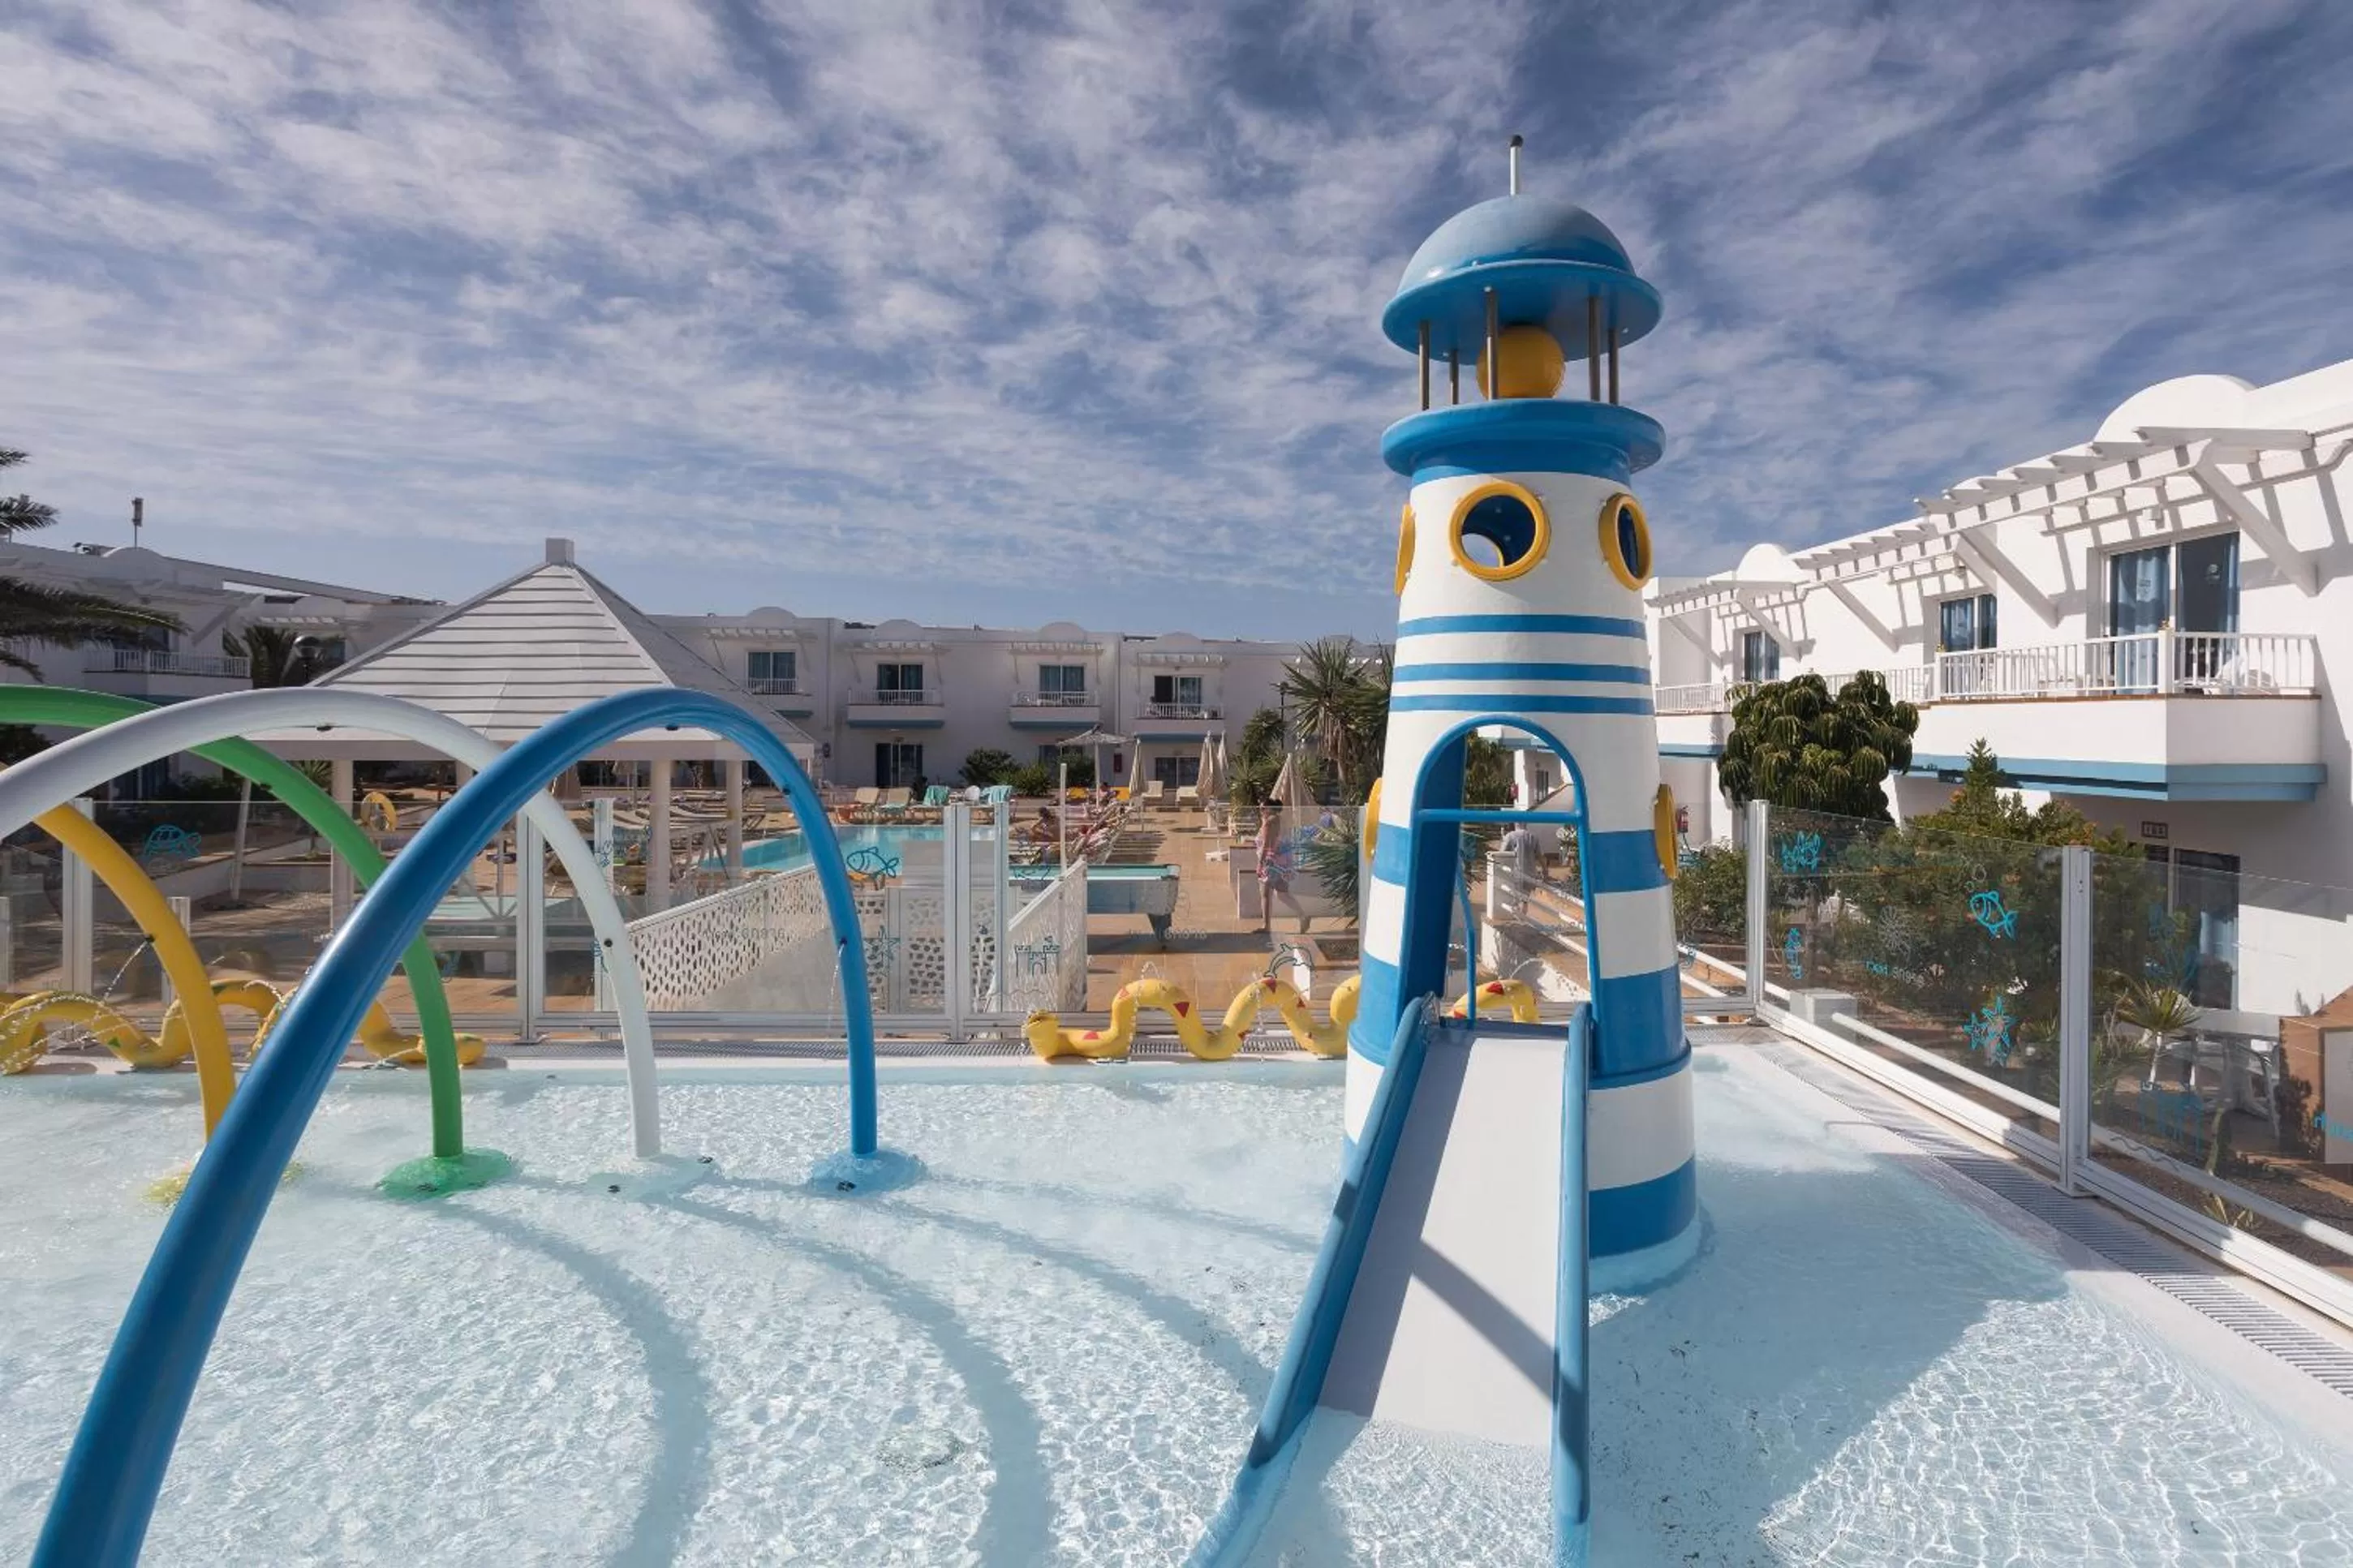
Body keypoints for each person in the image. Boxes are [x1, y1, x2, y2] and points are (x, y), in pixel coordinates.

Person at [1257, 802, 1310, 934]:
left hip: (1271, 862)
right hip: (1284, 863)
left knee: (1265, 895)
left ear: (1270, 808)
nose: (1261, 810)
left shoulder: (1269, 823)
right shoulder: (1282, 820)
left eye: (1263, 808)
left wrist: (1260, 863)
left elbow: (1266, 845)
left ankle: (1266, 926)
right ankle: (1303, 916)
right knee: (1282, 894)